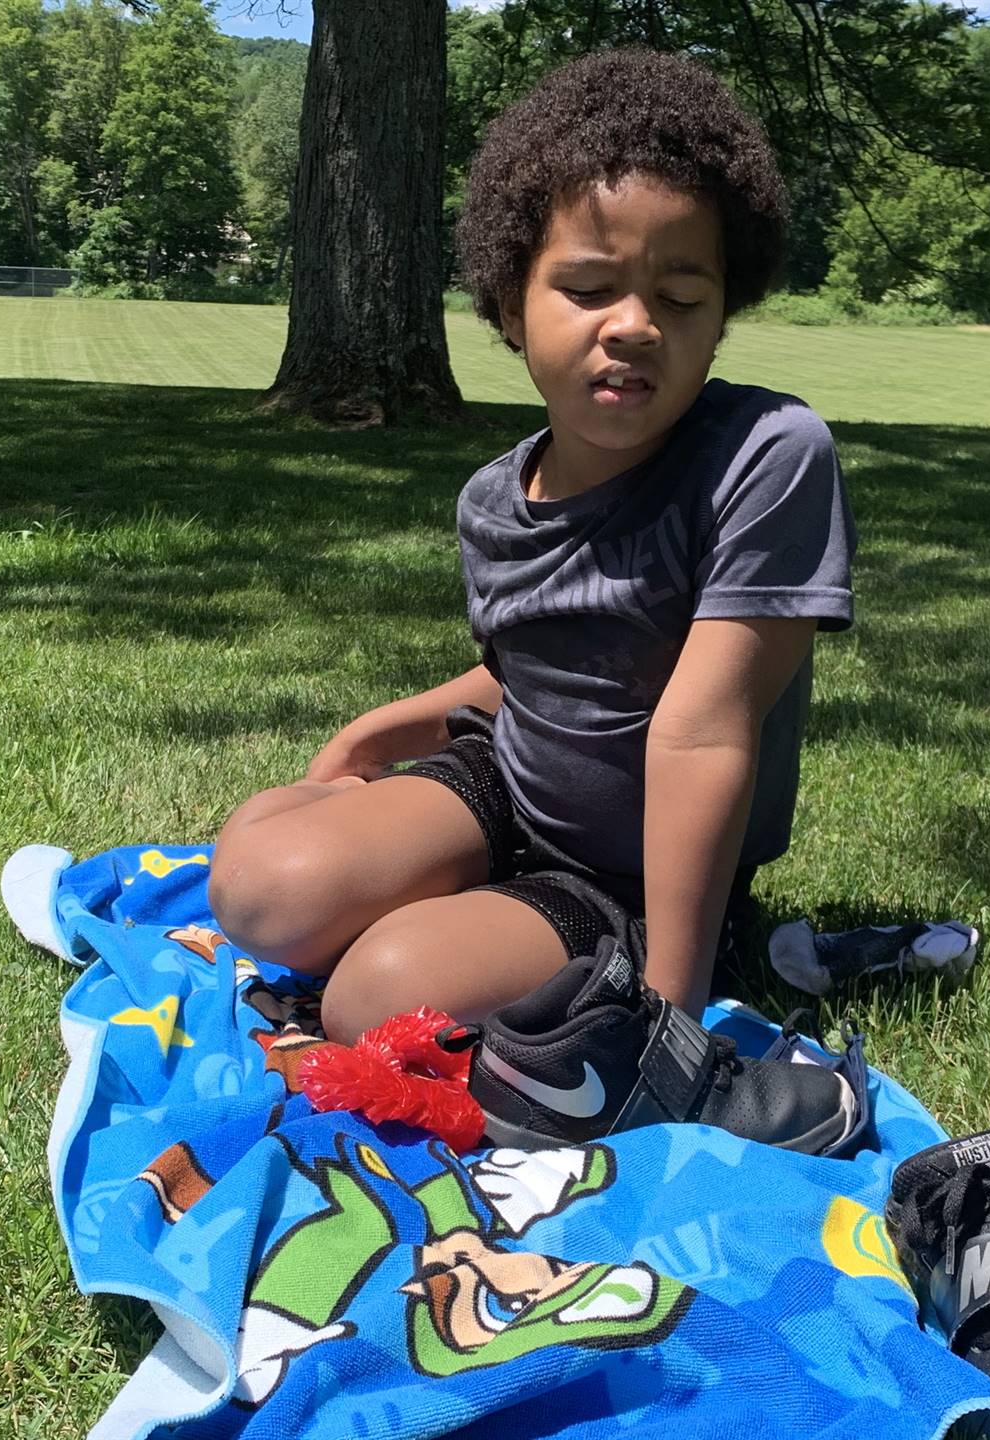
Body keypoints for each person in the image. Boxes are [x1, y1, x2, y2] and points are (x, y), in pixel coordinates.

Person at [210, 49, 854, 1046]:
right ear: (511, 305)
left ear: (723, 317)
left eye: (682, 299)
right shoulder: (493, 502)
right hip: (506, 794)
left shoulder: (765, 457)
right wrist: (379, 731)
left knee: (373, 1000)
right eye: (590, 287)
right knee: (260, 891)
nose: (635, 325)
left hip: (629, 883)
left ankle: (592, 943)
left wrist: (668, 1018)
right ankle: (438, 890)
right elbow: (535, 681)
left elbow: (702, 731)